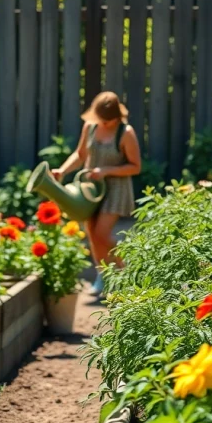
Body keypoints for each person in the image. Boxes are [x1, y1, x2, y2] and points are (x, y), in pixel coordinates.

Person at [52, 92, 141, 296]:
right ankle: (104, 275)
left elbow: (135, 167)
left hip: (115, 189)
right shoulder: (90, 127)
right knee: (92, 234)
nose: (104, 123)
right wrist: (62, 171)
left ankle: (127, 265)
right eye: (101, 119)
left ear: (118, 116)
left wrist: (106, 170)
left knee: (101, 234)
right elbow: (80, 155)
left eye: (108, 120)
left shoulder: (126, 132)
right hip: (90, 188)